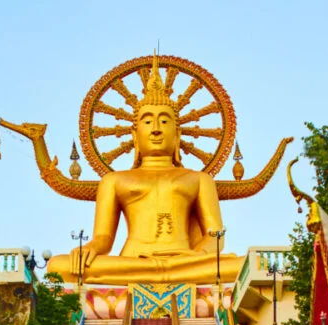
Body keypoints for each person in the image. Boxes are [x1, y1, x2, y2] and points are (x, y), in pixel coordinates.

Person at [45, 54, 241, 285]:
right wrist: (88, 248)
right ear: (135, 135)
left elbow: (215, 237)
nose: (156, 129)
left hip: (184, 260)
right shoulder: (114, 180)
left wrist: (197, 255)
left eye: (165, 121)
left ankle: (167, 272)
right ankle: (166, 274)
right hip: (134, 260)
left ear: (177, 134)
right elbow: (104, 238)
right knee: (57, 266)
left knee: (249, 264)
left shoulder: (199, 179)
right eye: (148, 122)